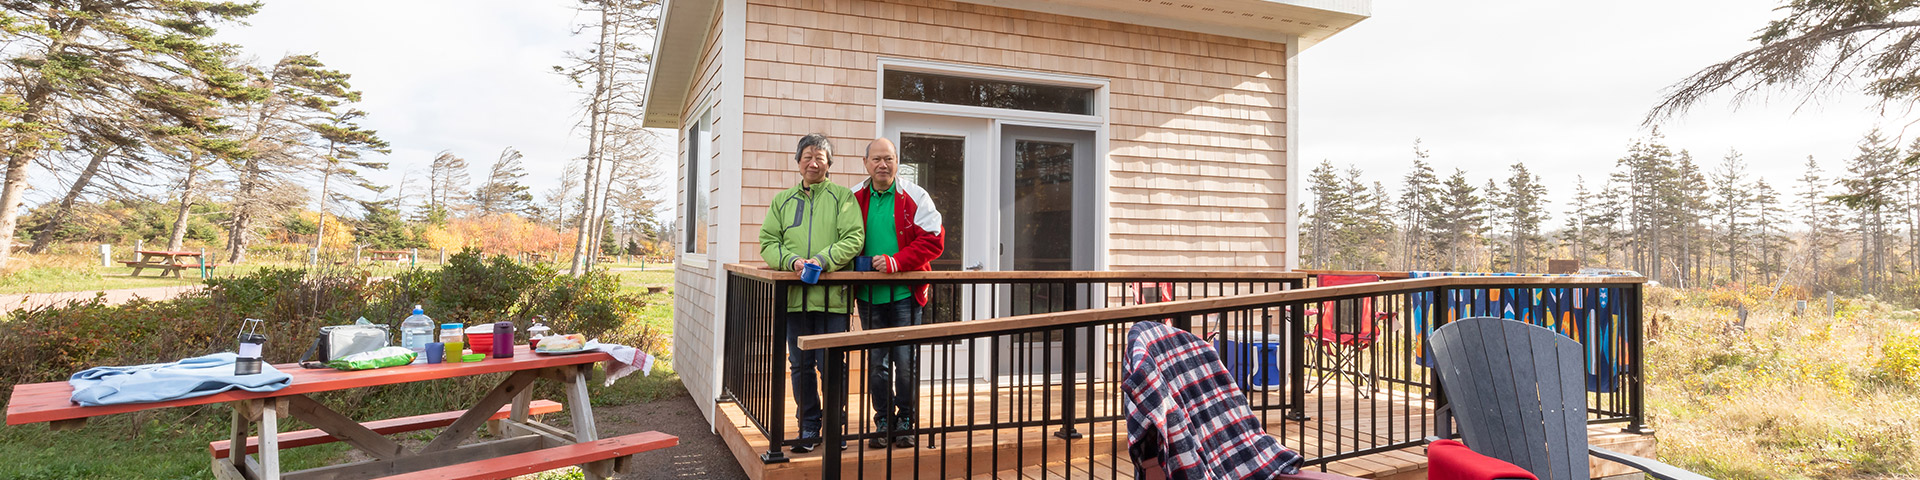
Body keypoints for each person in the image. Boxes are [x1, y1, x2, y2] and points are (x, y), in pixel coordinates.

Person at [758, 133, 864, 453]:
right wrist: (790, 260)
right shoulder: (783, 201)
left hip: (833, 299)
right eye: (807, 156)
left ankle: (835, 425)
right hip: (795, 299)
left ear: (829, 163)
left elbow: (854, 238)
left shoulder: (844, 198)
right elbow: (768, 242)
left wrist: (821, 260)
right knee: (800, 364)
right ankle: (808, 424)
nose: (813, 162)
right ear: (798, 162)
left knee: (831, 363)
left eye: (820, 157)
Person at [851, 137, 945, 449]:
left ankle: (906, 419)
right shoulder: (852, 198)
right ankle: (882, 420)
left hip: (905, 292)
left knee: (906, 361)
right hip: (868, 295)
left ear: (896, 162)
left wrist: (896, 262)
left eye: (888, 159)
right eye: (876, 159)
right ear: (866, 163)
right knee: (877, 362)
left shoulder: (915, 195)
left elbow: (933, 239)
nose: (882, 165)